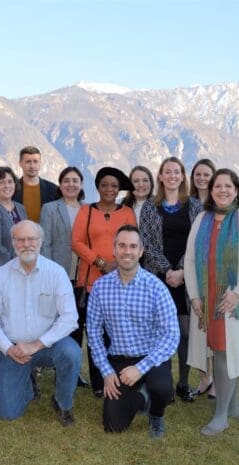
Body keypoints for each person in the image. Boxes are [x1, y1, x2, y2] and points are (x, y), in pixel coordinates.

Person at [185, 168, 239, 436]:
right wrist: (195, 295)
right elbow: (188, 260)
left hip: (231, 301)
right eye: (217, 186)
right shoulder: (201, 219)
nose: (222, 190)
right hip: (207, 297)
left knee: (223, 351)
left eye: (227, 186)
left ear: (236, 190)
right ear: (211, 191)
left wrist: (237, 294)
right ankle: (232, 406)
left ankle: (220, 415)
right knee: (220, 349)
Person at [0, 220, 81, 425]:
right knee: (8, 413)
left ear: (40, 241)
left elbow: (70, 318)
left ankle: (62, 403)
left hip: (49, 346)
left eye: (32, 238)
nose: (27, 244)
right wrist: (8, 348)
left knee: (71, 353)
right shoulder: (0, 276)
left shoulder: (56, 273)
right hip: (14, 350)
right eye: (20, 239)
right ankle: (27, 380)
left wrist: (36, 345)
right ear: (13, 243)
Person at [87, 225, 180, 438]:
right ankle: (142, 398)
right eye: (122, 246)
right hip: (118, 358)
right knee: (113, 425)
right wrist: (106, 371)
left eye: (132, 246)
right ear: (114, 250)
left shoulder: (156, 288)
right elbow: (93, 333)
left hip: (151, 356)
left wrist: (140, 368)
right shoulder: (100, 287)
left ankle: (156, 414)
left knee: (162, 389)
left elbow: (171, 335)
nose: (127, 251)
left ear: (141, 251)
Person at [139, 157, 202, 402]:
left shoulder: (195, 205)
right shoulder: (149, 207)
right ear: (161, 177)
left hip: (187, 278)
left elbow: (198, 241)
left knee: (185, 333)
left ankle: (184, 383)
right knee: (159, 332)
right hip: (158, 277)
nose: (172, 175)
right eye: (168, 172)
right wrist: (168, 270)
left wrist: (182, 270)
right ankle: (160, 381)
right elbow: (146, 242)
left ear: (182, 176)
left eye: (177, 171)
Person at [71, 166, 137, 397]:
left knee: (115, 332)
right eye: (105, 185)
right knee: (95, 333)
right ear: (98, 187)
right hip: (91, 281)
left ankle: (118, 377)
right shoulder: (86, 211)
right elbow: (77, 242)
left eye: (114, 186)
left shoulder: (127, 212)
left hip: (121, 280)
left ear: (119, 190)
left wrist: (119, 265)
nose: (109, 189)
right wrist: (101, 263)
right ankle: (99, 383)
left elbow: (132, 240)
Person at [40, 166, 88, 387]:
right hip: (58, 275)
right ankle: (53, 365)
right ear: (60, 185)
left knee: (76, 323)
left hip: (82, 276)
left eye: (75, 180)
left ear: (81, 185)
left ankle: (72, 369)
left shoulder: (88, 210)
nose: (71, 184)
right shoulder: (50, 209)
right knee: (55, 322)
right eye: (66, 180)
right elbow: (45, 243)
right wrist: (49, 273)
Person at [0, 166, 28, 391]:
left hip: (21, 274)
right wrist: (18, 264)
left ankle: (17, 372)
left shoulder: (19, 208)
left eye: (10, 181)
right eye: (1, 182)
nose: (7, 185)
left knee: (16, 324)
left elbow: (28, 238)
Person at [189, 158, 217, 399]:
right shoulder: (188, 203)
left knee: (215, 329)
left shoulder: (218, 203)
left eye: (206, 174)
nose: (201, 178)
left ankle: (217, 381)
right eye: (197, 174)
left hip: (213, 275)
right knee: (198, 331)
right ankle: (204, 378)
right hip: (193, 273)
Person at [13, 146, 59, 222]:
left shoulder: (54, 190)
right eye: (28, 162)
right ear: (20, 163)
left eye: (35, 161)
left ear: (40, 163)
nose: (32, 166)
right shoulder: (11, 190)